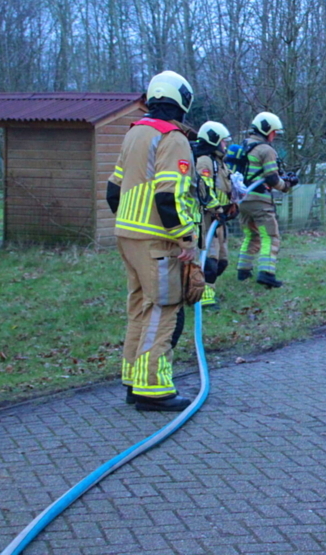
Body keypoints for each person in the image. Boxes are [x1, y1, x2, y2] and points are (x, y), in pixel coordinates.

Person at [105, 70, 199, 412]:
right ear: (183, 101)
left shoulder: (135, 133)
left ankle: (133, 380)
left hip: (127, 235)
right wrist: (185, 238)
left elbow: (113, 189)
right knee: (164, 308)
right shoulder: (172, 138)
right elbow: (168, 196)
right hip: (156, 240)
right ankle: (152, 388)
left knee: (139, 307)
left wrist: (129, 222)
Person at [235, 111, 295, 288]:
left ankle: (243, 271)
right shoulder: (266, 150)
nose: (274, 136)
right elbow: (271, 178)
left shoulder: (245, 145)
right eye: (274, 132)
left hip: (242, 199)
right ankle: (267, 273)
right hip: (259, 200)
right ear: (266, 129)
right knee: (270, 236)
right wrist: (286, 185)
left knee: (251, 235)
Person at [194, 121, 235, 310]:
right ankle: (204, 298)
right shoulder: (204, 161)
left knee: (222, 260)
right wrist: (217, 209)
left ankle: (202, 290)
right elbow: (204, 190)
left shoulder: (220, 163)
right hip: (207, 218)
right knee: (209, 260)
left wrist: (232, 203)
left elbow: (225, 187)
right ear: (213, 141)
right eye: (223, 142)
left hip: (219, 220)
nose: (225, 146)